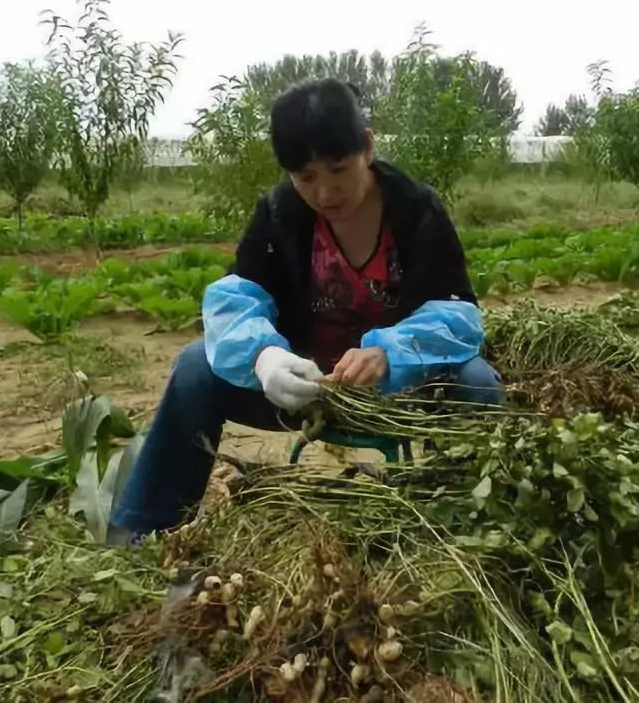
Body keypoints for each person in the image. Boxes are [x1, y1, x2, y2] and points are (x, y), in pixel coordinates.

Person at [108, 78, 503, 540]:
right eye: (306, 178)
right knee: (196, 367)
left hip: (402, 394)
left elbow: (457, 314)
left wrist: (391, 354)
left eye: (338, 169)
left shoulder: (416, 210)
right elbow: (236, 301)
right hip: (306, 391)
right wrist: (266, 358)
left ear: (368, 147)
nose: (325, 193)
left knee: (478, 384)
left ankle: (470, 530)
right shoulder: (280, 213)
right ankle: (142, 532)